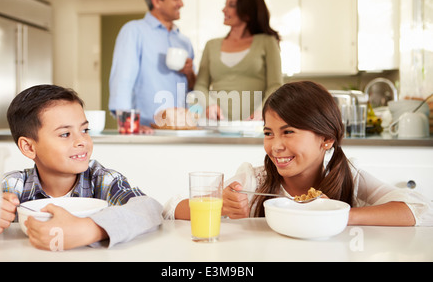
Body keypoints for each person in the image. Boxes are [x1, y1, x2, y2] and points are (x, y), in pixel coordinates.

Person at [167, 81, 433, 226]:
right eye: (269, 133)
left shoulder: (347, 176)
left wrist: (338, 215)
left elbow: (419, 209)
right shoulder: (253, 181)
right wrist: (221, 205)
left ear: (327, 138)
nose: (276, 145)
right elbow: (171, 209)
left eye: (289, 132)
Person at [0, 84, 163, 250]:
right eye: (65, 134)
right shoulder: (11, 186)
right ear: (29, 147)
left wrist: (91, 229)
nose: (82, 141)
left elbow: (149, 209)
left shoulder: (103, 181)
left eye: (85, 130)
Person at [109, 0, 196, 127]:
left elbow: (193, 89)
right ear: (157, 1)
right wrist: (129, 125)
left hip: (181, 129)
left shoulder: (184, 42)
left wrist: (190, 74)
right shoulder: (134, 31)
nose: (181, 3)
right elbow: (122, 81)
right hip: (146, 129)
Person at [193, 0, 283, 121]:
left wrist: (262, 111)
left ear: (247, 12)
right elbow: (200, 85)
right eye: (226, 4)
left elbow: (275, 85)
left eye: (231, 5)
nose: (224, 10)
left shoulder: (267, 42)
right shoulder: (211, 45)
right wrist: (209, 105)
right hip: (217, 124)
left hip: (254, 124)